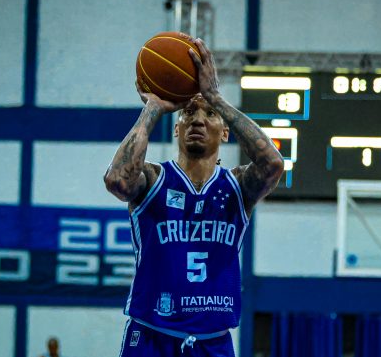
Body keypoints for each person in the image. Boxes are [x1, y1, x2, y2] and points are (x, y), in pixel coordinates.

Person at [104, 37, 284, 356]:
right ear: (177, 128)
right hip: (151, 335)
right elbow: (117, 180)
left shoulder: (237, 186)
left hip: (212, 340)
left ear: (225, 131)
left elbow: (273, 164)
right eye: (188, 113)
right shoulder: (153, 179)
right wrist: (153, 108)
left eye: (210, 114)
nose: (198, 120)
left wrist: (216, 98)